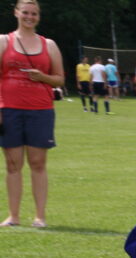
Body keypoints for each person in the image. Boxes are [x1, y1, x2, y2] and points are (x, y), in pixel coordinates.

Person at [0, 0, 64, 228]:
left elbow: (59, 79)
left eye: (34, 13)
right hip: (9, 109)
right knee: (12, 164)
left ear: (39, 16)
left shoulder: (50, 45)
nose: (29, 16)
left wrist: (42, 77)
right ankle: (13, 216)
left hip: (40, 109)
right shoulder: (3, 41)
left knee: (38, 163)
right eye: (25, 12)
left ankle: (40, 216)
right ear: (16, 13)